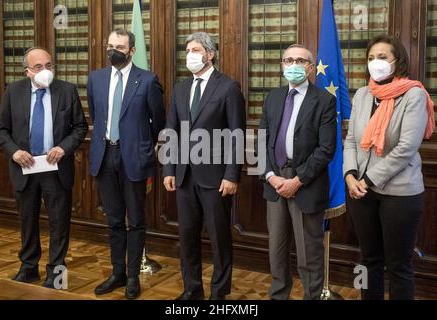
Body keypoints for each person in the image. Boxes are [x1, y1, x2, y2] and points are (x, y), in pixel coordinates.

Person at [343, 35, 435, 300]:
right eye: (371, 58)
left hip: (400, 193)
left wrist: (368, 179)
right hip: (360, 192)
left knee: (398, 266)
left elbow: (406, 147)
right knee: (367, 260)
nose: (376, 62)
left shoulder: (413, 94)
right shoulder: (362, 94)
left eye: (382, 57)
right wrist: (350, 175)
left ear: (398, 61)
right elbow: (351, 140)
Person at [0, 47, 88, 289]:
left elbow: (80, 127)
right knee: (27, 221)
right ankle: (28, 269)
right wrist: (14, 151)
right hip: (25, 167)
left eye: (49, 65)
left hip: (55, 168)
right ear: (27, 71)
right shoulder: (12, 92)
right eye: (38, 67)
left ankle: (56, 275)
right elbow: (1, 130)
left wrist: (63, 148)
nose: (45, 71)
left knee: (59, 223)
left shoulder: (66, 90)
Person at [163, 32, 246, 300]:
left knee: (220, 239)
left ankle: (218, 294)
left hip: (217, 178)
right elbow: (171, 131)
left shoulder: (228, 87)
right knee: (187, 237)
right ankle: (192, 289)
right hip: (185, 177)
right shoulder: (180, 88)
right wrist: (168, 169)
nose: (190, 55)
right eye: (187, 50)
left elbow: (237, 135)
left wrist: (232, 175)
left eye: (195, 50)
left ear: (210, 54)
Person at [87, 29, 165, 299]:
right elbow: (97, 118)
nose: (113, 50)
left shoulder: (148, 79)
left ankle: (133, 276)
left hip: (134, 158)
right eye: (110, 45)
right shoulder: (95, 78)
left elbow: (159, 122)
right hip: (104, 156)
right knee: (113, 220)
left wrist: (144, 147)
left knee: (136, 221)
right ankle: (117, 272)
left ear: (132, 50)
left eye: (120, 46)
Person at [259, 44, 337, 300]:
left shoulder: (325, 100)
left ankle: (311, 297)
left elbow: (326, 149)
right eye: (288, 60)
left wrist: (298, 180)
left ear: (311, 68)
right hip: (275, 182)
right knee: (276, 251)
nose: (294, 65)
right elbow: (262, 141)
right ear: (282, 65)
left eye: (301, 61)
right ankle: (278, 296)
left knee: (308, 255)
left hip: (306, 184)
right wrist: (271, 176)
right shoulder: (272, 97)